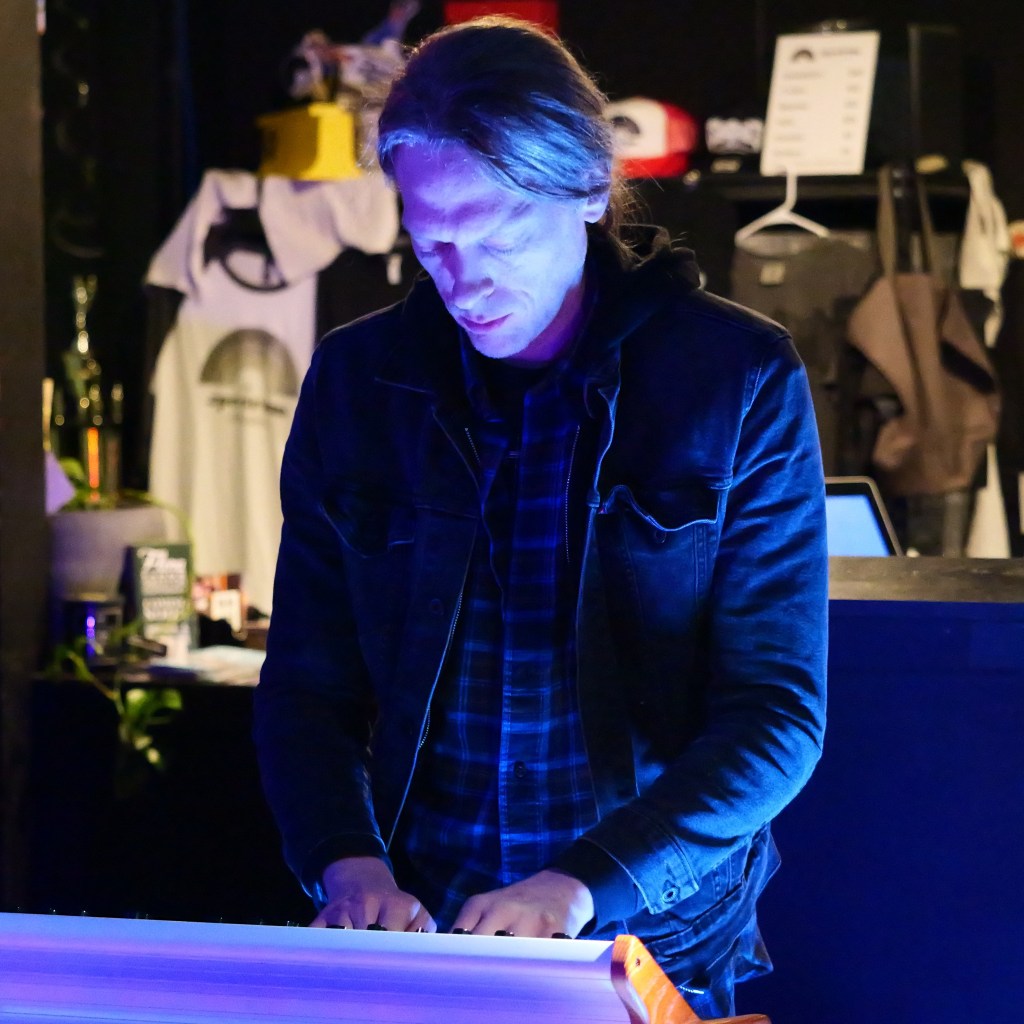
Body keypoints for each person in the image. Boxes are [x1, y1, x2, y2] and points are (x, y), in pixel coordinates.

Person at [253, 15, 828, 1018]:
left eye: (501, 236)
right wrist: (343, 859)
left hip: (654, 941)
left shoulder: (735, 380)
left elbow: (775, 716)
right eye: (431, 241)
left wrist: (582, 883)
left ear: (591, 192)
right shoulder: (357, 380)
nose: (464, 281)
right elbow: (307, 681)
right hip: (421, 928)